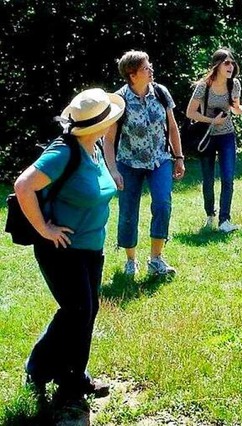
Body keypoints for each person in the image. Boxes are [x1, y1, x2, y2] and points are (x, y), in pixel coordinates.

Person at [16, 88, 124, 405]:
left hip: (91, 246)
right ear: (97, 125)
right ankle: (38, 369)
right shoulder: (63, 152)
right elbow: (24, 186)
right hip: (62, 248)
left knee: (85, 312)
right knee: (77, 310)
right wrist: (44, 228)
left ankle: (73, 377)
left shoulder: (94, 148)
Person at [104, 50, 185, 276]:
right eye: (145, 68)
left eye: (149, 66)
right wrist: (113, 170)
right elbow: (108, 140)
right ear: (132, 74)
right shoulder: (119, 101)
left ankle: (156, 259)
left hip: (160, 159)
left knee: (162, 204)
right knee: (128, 211)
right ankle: (131, 260)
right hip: (129, 163)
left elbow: (172, 127)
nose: (151, 70)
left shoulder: (160, 92)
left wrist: (178, 157)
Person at [186, 49, 242, 233]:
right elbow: (191, 112)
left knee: (228, 178)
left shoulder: (234, 84)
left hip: (227, 136)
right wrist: (212, 121)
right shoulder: (204, 86)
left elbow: (235, 109)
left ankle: (224, 220)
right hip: (207, 137)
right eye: (227, 63)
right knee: (208, 179)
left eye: (232, 63)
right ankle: (210, 215)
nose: (231, 66)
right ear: (217, 65)